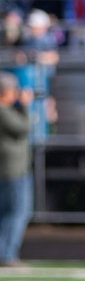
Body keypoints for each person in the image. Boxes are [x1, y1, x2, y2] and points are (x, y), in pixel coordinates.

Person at [0, 72, 33, 268]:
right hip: (13, 170)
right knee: (17, 212)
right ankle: (7, 254)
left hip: (10, 170)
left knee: (8, 214)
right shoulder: (3, 111)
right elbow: (22, 128)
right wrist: (25, 107)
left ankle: (6, 252)